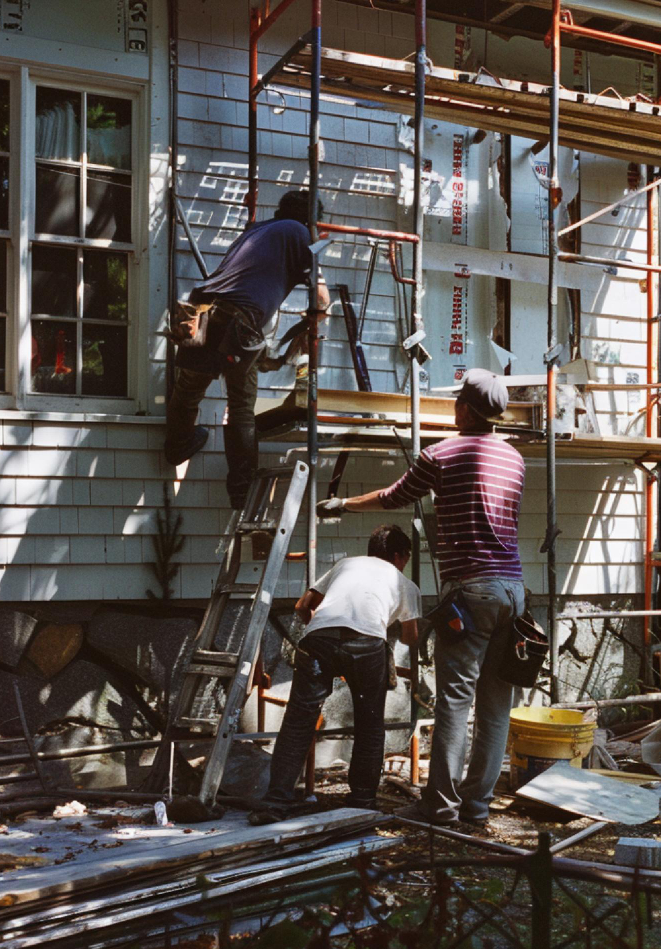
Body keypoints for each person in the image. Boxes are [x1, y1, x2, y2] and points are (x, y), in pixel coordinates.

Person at [316, 369, 525, 827]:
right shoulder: (514, 458)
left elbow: (396, 496)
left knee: (454, 700)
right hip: (514, 589)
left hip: (470, 590)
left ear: (466, 409)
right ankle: (476, 808)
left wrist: (344, 504)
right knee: (496, 704)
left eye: (457, 403)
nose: (453, 408)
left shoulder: (440, 454)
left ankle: (441, 807)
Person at [163, 190, 330, 507]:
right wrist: (316, 319)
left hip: (203, 314)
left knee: (188, 390)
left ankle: (178, 444)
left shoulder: (256, 230)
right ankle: (241, 491)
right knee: (240, 408)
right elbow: (321, 299)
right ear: (309, 221)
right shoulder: (299, 233)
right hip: (240, 323)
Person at [249, 524, 422, 824]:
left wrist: (326, 633)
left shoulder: (346, 564)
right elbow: (410, 638)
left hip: (318, 638)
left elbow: (303, 606)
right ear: (399, 556)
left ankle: (275, 802)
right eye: (405, 557)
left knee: (298, 721)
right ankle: (361, 802)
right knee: (369, 725)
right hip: (367, 644)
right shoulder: (404, 583)